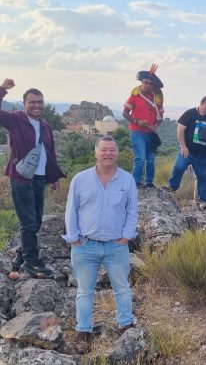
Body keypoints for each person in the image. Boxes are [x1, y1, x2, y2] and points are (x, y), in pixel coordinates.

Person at [63, 136, 138, 353]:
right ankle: (83, 332)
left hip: (116, 246)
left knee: (122, 288)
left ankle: (126, 326)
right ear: (96, 152)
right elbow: (71, 211)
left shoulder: (127, 180)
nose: (108, 154)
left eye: (112, 150)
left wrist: (126, 237)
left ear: (117, 153)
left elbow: (132, 211)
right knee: (85, 291)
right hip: (85, 246)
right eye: (104, 150)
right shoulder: (80, 179)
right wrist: (74, 238)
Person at [0, 78, 65, 278]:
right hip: (21, 178)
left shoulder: (45, 126)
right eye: (32, 102)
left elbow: (49, 152)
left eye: (40, 102)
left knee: (36, 222)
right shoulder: (16, 120)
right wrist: (2, 90)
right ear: (24, 104)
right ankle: (31, 261)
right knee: (28, 223)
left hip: (39, 178)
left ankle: (20, 257)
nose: (37, 105)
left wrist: (53, 177)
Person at [163, 96, 206, 210]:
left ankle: (204, 200)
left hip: (204, 155)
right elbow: (180, 130)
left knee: (203, 177)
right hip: (188, 151)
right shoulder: (190, 113)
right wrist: (183, 146)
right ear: (205, 102)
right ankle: (172, 186)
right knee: (179, 167)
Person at [122, 64, 164, 188]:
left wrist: (156, 125)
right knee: (140, 158)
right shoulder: (134, 96)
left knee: (150, 160)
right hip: (137, 132)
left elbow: (160, 116)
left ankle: (149, 182)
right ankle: (135, 183)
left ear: (154, 86)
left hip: (151, 133)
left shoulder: (157, 99)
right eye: (146, 83)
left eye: (150, 84)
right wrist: (137, 121)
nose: (148, 86)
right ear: (141, 82)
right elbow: (125, 113)